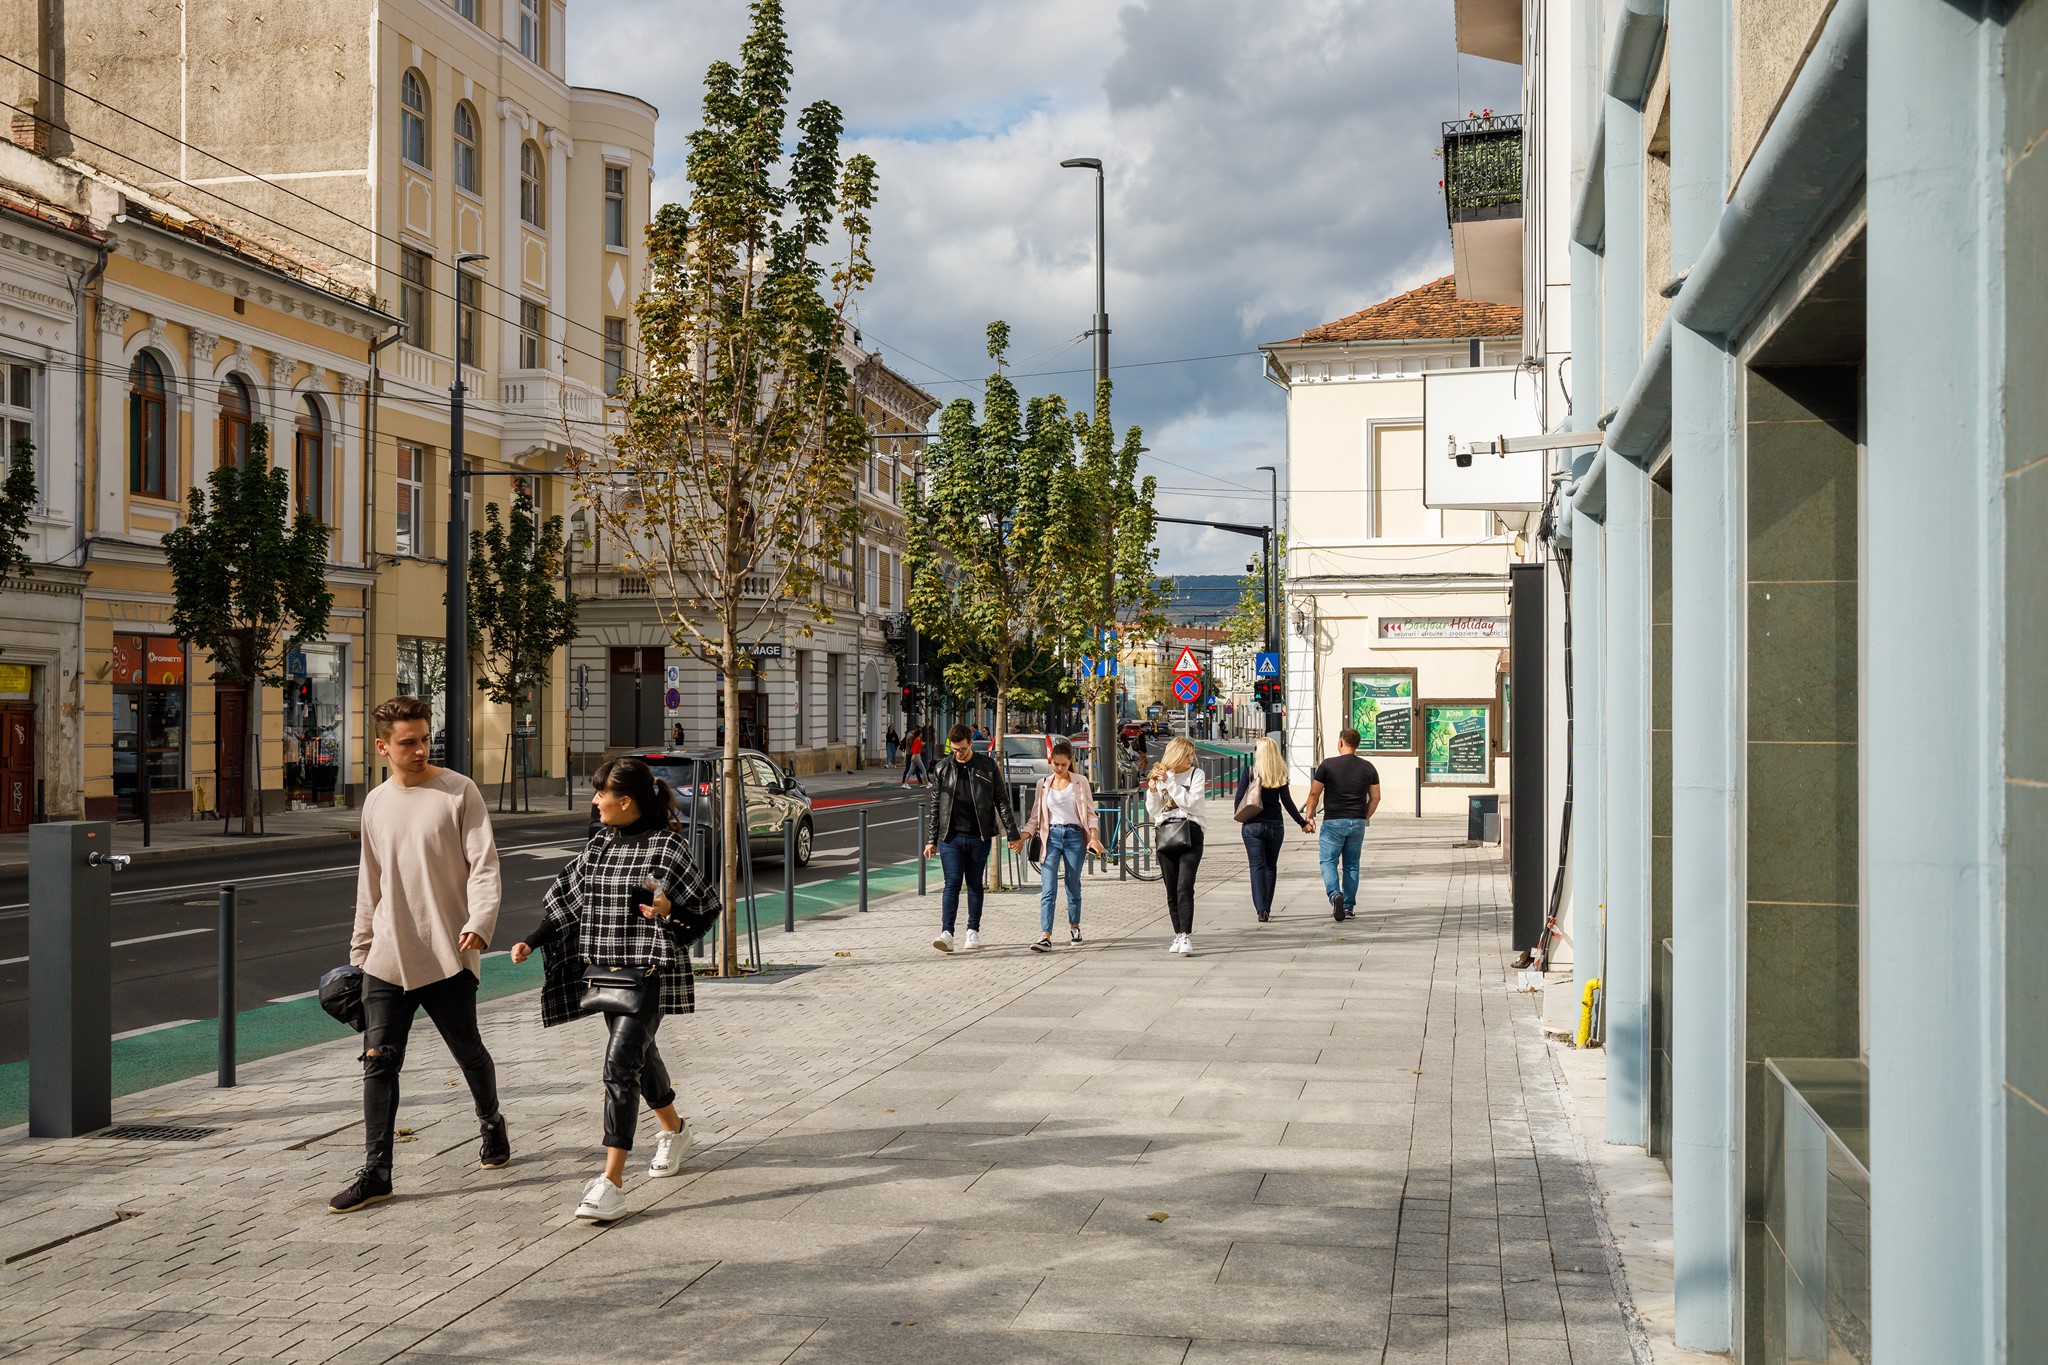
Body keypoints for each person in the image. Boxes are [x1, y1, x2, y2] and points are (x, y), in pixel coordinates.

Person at [508, 757, 715, 1222]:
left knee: (619, 1067)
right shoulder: (600, 844)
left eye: (602, 794)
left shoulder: (668, 848)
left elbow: (703, 910)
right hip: (606, 972)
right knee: (640, 1060)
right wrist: (531, 940)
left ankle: (612, 1182)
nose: (595, 801)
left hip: (650, 973)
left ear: (626, 801)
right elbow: (569, 901)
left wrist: (667, 910)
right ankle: (675, 1131)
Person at [329, 696, 507, 1214]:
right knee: (377, 1061)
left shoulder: (458, 792)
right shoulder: (376, 802)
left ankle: (491, 1122)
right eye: (408, 742)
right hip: (387, 954)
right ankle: (377, 1171)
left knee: (468, 1051)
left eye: (425, 738)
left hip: (448, 949)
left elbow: (484, 867)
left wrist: (479, 922)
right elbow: (371, 879)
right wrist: (361, 945)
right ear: (383, 746)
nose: (420, 749)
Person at [922, 722, 1024, 952]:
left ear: (970, 743)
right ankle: (947, 932)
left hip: (979, 836)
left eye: (963, 749)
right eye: (955, 749)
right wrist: (931, 840)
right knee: (952, 884)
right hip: (951, 837)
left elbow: (1002, 801)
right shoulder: (942, 768)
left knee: (975, 885)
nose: (959, 753)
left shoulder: (987, 766)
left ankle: (972, 931)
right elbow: (936, 805)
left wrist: (1012, 834)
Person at [1021, 740, 1105, 951]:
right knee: (1048, 889)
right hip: (1051, 836)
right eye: (1055, 764)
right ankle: (1045, 935)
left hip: (1075, 836)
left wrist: (1093, 837)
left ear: (1070, 763)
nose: (1059, 768)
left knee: (1072, 884)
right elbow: (1035, 817)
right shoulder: (1043, 784)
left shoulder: (1080, 782)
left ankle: (1074, 926)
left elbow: (1089, 813)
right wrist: (1022, 837)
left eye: (1063, 765)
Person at [1301, 728, 1383, 921]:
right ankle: (1348, 907)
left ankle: (1334, 894)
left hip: (1333, 822)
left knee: (1329, 861)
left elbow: (1315, 793)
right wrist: (1364, 816)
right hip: (1357, 822)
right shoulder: (1369, 768)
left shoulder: (1328, 765)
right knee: (1352, 864)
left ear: (1340, 743)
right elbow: (1376, 797)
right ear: (1357, 745)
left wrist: (1309, 816)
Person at [1235, 736, 1314, 923]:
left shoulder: (1250, 772)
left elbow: (1238, 801)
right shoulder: (1281, 774)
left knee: (1256, 867)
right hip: (1275, 826)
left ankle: (1260, 909)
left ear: (1259, 753)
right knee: (1270, 867)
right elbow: (1287, 802)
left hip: (1253, 826)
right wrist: (1302, 823)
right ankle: (1267, 909)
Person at [1145, 737, 1206, 955]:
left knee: (1184, 886)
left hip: (1191, 833)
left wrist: (1170, 784)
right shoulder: (1162, 775)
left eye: (1192, 754)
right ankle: (1177, 934)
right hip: (1165, 834)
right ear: (1176, 755)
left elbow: (1191, 803)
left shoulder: (1196, 775)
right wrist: (1152, 791)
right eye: (1187, 755)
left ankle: (1185, 935)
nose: (1191, 759)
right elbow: (1154, 811)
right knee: (1171, 888)